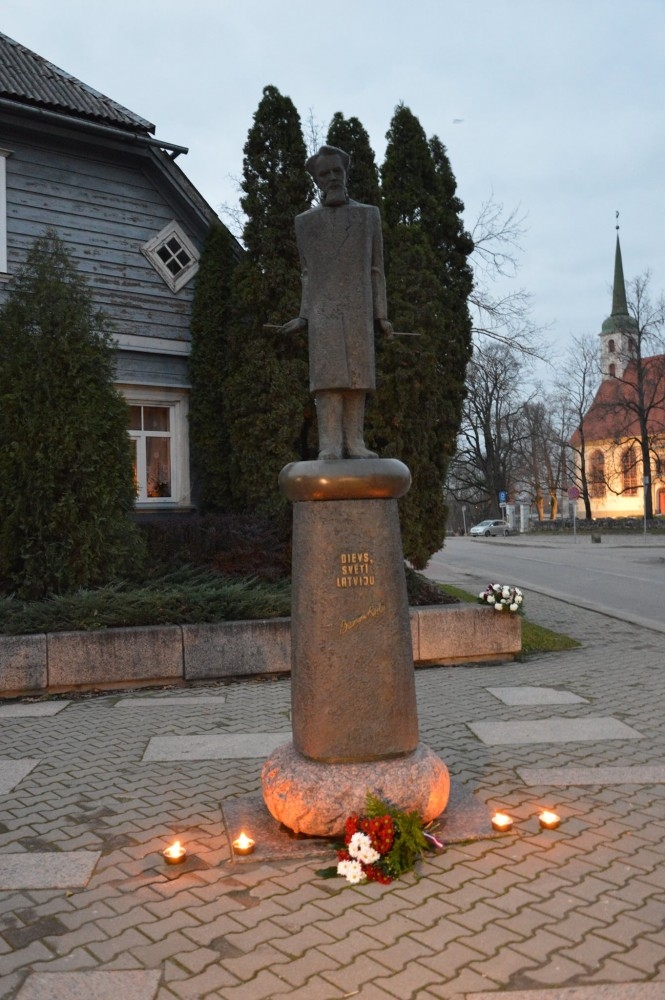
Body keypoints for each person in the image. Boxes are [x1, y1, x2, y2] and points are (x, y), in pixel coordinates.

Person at [281, 145, 393, 460]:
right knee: (328, 380)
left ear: (345, 173)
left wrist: (380, 315)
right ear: (316, 180)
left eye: (336, 171)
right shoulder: (305, 223)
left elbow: (376, 269)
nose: (332, 178)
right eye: (324, 174)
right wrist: (303, 317)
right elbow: (307, 273)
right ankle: (330, 443)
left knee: (358, 378)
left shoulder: (368, 215)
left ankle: (355, 443)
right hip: (322, 313)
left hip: (359, 309)